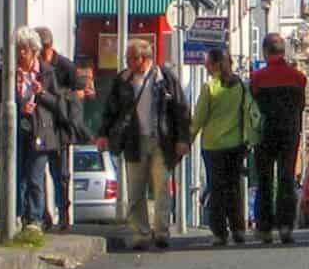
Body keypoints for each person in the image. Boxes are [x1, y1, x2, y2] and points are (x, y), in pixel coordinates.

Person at [97, 36, 190, 251]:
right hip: (134, 141)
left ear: (145, 58)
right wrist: (103, 133)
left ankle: (161, 232)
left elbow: (180, 110)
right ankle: (140, 233)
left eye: (132, 58)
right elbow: (111, 110)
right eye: (128, 58)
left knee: (162, 188)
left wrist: (182, 139)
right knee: (135, 189)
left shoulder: (164, 78)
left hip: (161, 140)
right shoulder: (123, 80)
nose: (128, 62)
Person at [0, 28, 71, 226]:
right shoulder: (8, 73)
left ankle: (35, 220)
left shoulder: (47, 72)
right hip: (16, 130)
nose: (20, 53)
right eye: (18, 49)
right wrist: (20, 108)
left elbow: (59, 104)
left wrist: (43, 94)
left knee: (34, 177)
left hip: (41, 131)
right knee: (17, 176)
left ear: (34, 50)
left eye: (24, 49)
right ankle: (16, 215)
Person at [191, 45, 258, 248]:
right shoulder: (240, 86)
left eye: (208, 62)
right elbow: (249, 113)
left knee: (216, 189)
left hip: (212, 146)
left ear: (215, 65)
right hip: (236, 144)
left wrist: (187, 139)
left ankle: (220, 232)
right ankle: (238, 229)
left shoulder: (210, 88)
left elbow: (199, 118)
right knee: (233, 189)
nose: (206, 65)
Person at [248, 31, 309, 245]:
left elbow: (252, 108)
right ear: (283, 52)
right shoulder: (298, 78)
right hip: (289, 132)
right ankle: (285, 226)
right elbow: (301, 105)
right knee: (286, 178)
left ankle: (264, 227)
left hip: (265, 133)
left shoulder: (257, 78)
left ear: (265, 52)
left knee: (264, 180)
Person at [35, 26, 82, 230]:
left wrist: (64, 104)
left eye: (44, 50)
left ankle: (63, 213)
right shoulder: (35, 67)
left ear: (50, 46)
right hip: (41, 125)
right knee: (39, 172)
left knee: (61, 174)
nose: (41, 55)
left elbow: (77, 95)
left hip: (60, 126)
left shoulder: (65, 66)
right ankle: (44, 215)